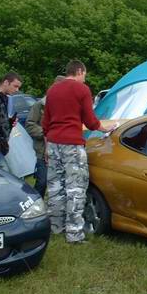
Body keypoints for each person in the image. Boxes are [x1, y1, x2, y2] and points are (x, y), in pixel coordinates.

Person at [42, 61, 111, 244]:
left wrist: (47, 147)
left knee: (56, 187)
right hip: (72, 144)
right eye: (84, 74)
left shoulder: (52, 90)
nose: (84, 78)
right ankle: (74, 234)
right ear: (79, 71)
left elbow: (45, 122)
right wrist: (106, 127)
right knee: (76, 188)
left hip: (53, 143)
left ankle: (56, 227)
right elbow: (90, 121)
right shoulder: (82, 90)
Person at [25, 75, 65, 197]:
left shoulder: (66, 105)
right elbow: (29, 125)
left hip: (62, 150)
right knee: (42, 182)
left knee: (60, 183)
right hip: (43, 151)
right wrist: (46, 132)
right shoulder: (39, 105)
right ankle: (36, 208)